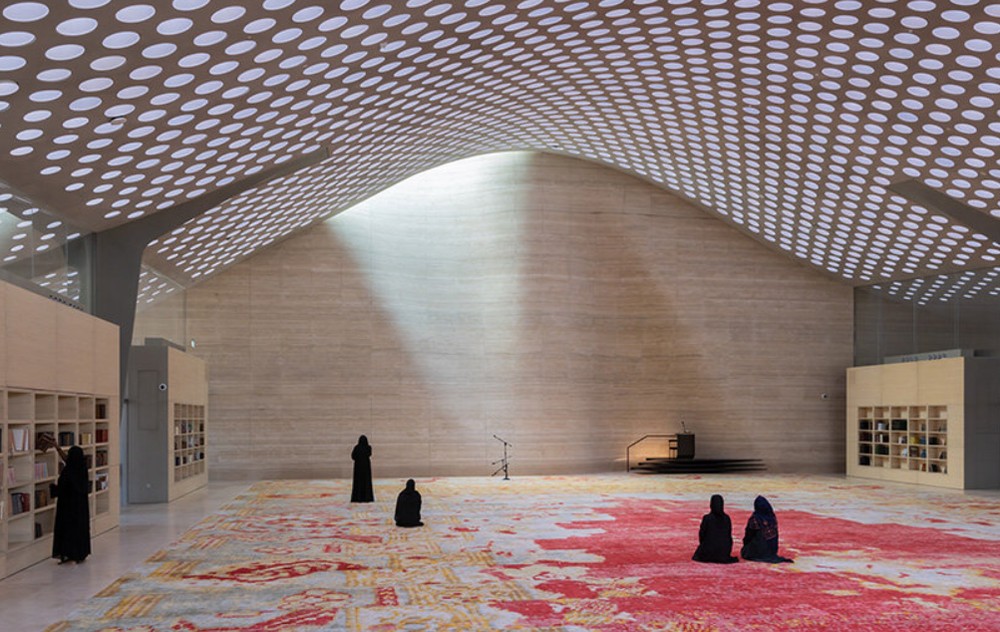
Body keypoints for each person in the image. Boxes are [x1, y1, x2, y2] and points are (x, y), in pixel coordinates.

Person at [41, 436, 91, 564]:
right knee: (79, 531)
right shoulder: (81, 468)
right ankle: (79, 553)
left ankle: (68, 553)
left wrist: (53, 488)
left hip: (67, 509)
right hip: (80, 509)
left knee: (67, 531)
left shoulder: (69, 472)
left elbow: (64, 488)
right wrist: (57, 447)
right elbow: (67, 460)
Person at [741, 495, 793, 563]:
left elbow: (749, 535)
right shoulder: (772, 516)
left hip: (760, 549)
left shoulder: (755, 518)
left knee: (745, 552)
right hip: (772, 549)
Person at [692, 494, 738, 563]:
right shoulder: (726, 518)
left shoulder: (707, 518)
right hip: (723, 552)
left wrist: (704, 545)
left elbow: (702, 534)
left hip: (708, 551)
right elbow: (728, 535)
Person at [350, 435, 374, 502]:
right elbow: (369, 454)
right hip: (366, 468)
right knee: (366, 482)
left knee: (358, 482)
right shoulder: (368, 447)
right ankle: (367, 497)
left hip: (358, 468)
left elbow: (353, 456)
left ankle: (358, 497)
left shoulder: (357, 448)